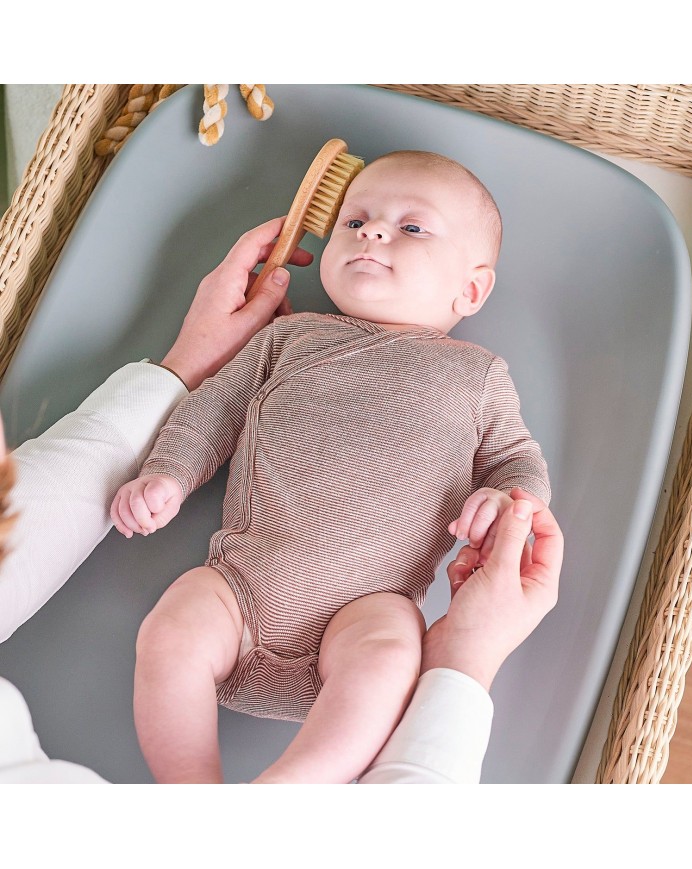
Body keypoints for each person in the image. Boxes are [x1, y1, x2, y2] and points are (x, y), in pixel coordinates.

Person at [0, 209, 563, 784]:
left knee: (392, 660)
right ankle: (192, 789)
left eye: (412, 228)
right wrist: (169, 475)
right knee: (170, 633)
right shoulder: (288, 338)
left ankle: (290, 790)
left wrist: (504, 499)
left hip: (369, 605)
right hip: (242, 585)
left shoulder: (477, 374)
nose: (370, 233)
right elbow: (214, 408)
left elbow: (517, 458)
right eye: (355, 221)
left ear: (471, 287)